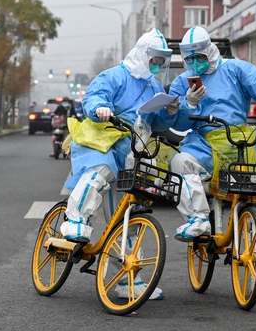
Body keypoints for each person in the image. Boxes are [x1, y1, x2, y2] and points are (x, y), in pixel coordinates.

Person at [168, 26, 256, 300]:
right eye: (189, 59)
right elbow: (175, 123)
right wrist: (188, 105)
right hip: (203, 142)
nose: (195, 63)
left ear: (210, 50)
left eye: (199, 56)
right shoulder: (184, 81)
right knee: (181, 162)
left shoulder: (236, 69)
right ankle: (198, 219)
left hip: (240, 142)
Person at [59, 28, 178, 300]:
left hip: (131, 153)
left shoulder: (155, 86)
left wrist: (170, 112)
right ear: (143, 54)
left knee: (125, 218)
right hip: (100, 142)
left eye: (162, 60)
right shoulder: (114, 76)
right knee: (101, 172)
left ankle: (125, 279)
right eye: (155, 59)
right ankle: (75, 221)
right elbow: (93, 98)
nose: (158, 65)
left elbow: (155, 123)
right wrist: (100, 108)